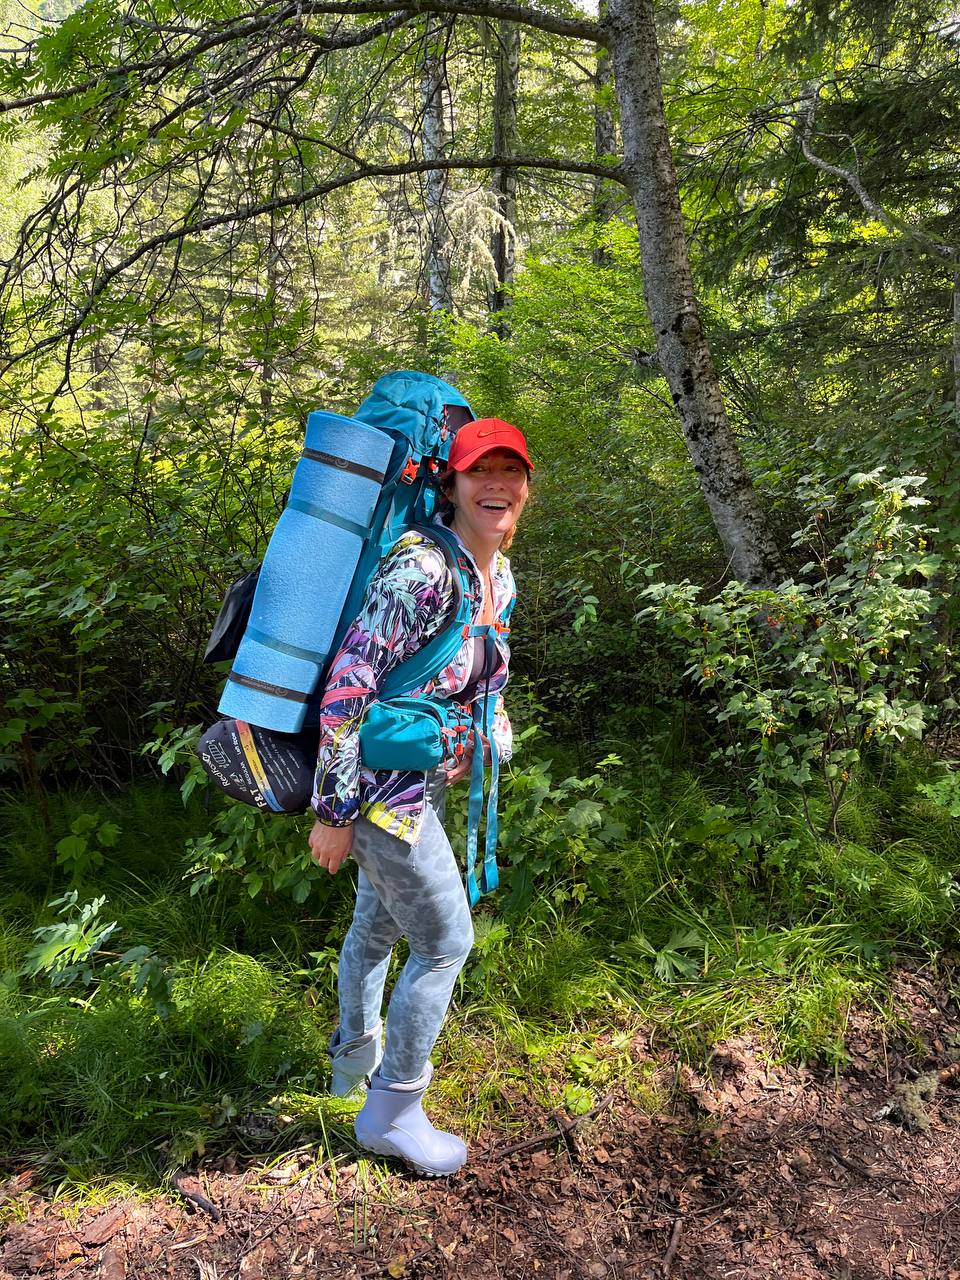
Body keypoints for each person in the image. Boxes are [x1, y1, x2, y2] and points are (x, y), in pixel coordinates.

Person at [307, 417, 533, 1177]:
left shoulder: (497, 576)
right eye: (479, 471)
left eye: (511, 471)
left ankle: (351, 1063)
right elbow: (347, 687)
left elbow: (477, 676)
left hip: (420, 781)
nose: (496, 484)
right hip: (376, 793)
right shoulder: (422, 569)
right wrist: (334, 813)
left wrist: (484, 735)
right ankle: (392, 1113)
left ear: (526, 488)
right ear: (451, 484)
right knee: (445, 942)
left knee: (376, 927)